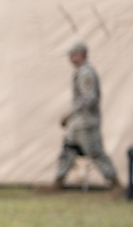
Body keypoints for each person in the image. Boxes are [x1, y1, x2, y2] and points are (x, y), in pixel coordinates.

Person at [49, 42, 121, 193]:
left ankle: (115, 183)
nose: (70, 58)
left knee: (95, 152)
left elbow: (88, 98)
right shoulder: (80, 71)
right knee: (68, 150)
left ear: (80, 55)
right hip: (78, 123)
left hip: (86, 122)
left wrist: (70, 114)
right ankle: (58, 182)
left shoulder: (86, 72)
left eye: (72, 55)